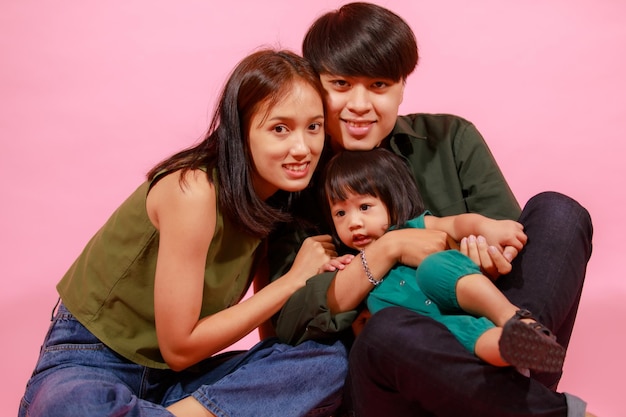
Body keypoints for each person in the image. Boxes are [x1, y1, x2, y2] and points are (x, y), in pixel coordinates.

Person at [266, 2, 594, 417]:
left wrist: (487, 253)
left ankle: (507, 385)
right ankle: (529, 405)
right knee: (388, 329)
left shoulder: (450, 137)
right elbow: (288, 325)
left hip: (489, 338)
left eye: (380, 85)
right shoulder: (296, 177)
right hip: (392, 378)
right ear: (315, 85)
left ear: (403, 85)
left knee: (559, 211)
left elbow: (513, 255)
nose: (360, 104)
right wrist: (388, 249)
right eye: (342, 83)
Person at [18, 49, 349, 417]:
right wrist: (293, 281)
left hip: (180, 387)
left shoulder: (279, 197)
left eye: (314, 127)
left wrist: (273, 373)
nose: (302, 148)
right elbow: (179, 348)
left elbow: (267, 338)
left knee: (328, 362)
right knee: (72, 407)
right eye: (279, 129)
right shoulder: (194, 191)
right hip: (94, 360)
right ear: (240, 132)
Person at [321, 148, 567, 373]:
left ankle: (512, 317)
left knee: (434, 267)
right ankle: (515, 352)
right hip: (429, 335)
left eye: (364, 207)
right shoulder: (355, 265)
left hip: (454, 298)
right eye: (340, 213)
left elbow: (456, 224)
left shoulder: (412, 227)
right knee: (474, 336)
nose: (353, 222)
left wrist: (485, 226)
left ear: (391, 202)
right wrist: (333, 267)